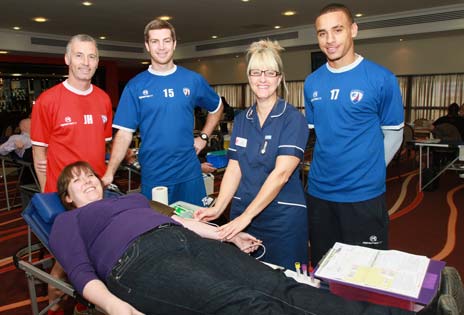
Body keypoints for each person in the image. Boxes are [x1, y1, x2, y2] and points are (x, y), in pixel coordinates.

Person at [50, 161, 418, 315]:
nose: (86, 181)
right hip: (137, 262)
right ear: (67, 198)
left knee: (279, 285)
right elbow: (81, 273)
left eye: (89, 175)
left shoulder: (132, 198)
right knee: (245, 304)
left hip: (185, 240)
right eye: (76, 181)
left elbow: (183, 222)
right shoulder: (68, 222)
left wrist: (229, 235)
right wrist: (115, 307)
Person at [303, 3, 404, 266]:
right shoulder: (312, 82)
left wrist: (370, 170)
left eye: (337, 30)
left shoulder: (381, 78)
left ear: (354, 30)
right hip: (319, 193)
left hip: (363, 196)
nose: (329, 39)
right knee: (325, 267)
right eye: (322, 33)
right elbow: (317, 135)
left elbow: (394, 134)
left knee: (365, 272)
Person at [195, 40, 309, 270]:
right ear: (249, 78)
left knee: (287, 286)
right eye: (256, 72)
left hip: (282, 218)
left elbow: (281, 174)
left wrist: (246, 217)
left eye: (269, 72)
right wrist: (219, 207)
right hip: (243, 215)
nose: (262, 79)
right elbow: (235, 167)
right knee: (248, 282)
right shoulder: (242, 120)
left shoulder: (293, 119)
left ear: (279, 78)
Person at [30, 34, 113, 315]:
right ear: (67, 59)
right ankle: (54, 309)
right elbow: (39, 155)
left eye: (91, 56)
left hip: (97, 196)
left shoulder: (103, 99)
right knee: (65, 264)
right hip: (63, 199)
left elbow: (101, 147)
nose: (85, 62)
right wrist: (48, 196)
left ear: (97, 61)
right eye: (79, 55)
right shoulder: (47, 100)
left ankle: (84, 305)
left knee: (100, 256)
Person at [103, 19, 223, 206]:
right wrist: (110, 172)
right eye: (155, 41)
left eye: (166, 41)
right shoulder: (136, 86)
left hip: (189, 172)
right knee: (160, 229)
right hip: (155, 174)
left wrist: (204, 137)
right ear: (147, 46)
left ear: (174, 44)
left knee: (196, 224)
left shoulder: (192, 80)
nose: (161, 47)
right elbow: (125, 133)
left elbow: (217, 107)